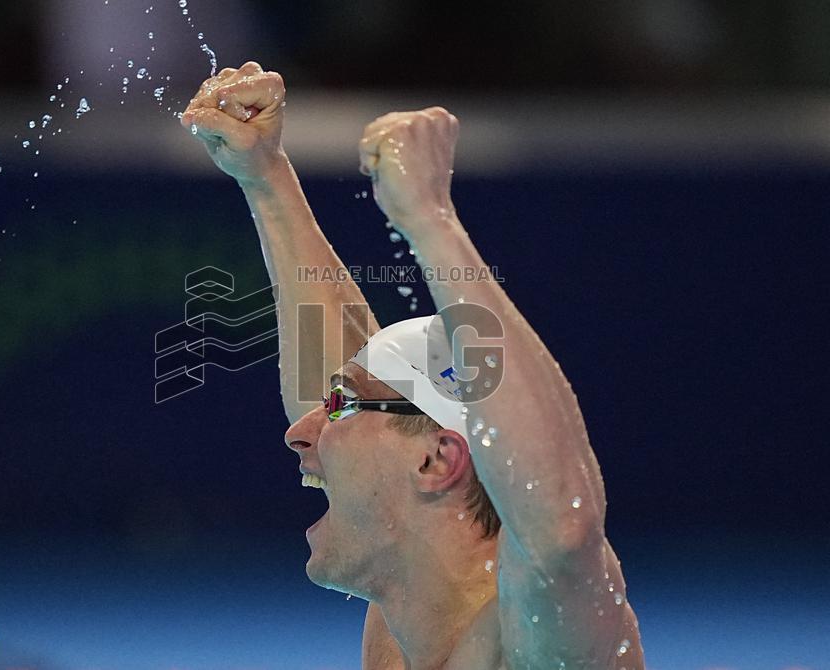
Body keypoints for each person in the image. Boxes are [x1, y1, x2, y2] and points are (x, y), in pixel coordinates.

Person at [181, 61, 645, 670]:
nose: (298, 431)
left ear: (438, 460)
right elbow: (348, 387)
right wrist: (265, 176)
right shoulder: (407, 621)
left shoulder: (537, 635)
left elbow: (562, 529)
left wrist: (429, 218)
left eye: (340, 407)